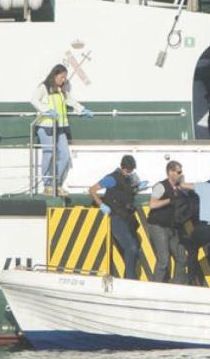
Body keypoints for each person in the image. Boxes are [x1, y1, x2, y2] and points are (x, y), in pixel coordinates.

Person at [33, 64, 92, 196]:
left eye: (65, 77)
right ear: (54, 75)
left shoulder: (61, 90)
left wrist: (82, 110)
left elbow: (70, 101)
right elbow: (34, 100)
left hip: (59, 127)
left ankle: (56, 184)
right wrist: (46, 110)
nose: (64, 80)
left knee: (65, 156)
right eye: (61, 77)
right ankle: (47, 185)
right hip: (46, 127)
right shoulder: (44, 87)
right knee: (48, 154)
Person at [90, 155, 149, 280]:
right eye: (128, 170)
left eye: (131, 170)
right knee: (131, 247)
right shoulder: (112, 178)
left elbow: (127, 192)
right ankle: (130, 279)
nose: (129, 173)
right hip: (116, 217)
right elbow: (92, 190)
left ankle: (128, 277)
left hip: (127, 217)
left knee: (134, 248)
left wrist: (137, 188)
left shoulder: (129, 179)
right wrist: (102, 205)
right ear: (122, 167)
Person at [146, 160, 194, 284]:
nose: (180, 174)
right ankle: (155, 286)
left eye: (181, 172)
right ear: (170, 172)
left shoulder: (178, 188)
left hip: (172, 227)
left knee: (181, 257)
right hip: (158, 226)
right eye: (178, 172)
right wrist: (169, 200)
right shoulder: (161, 186)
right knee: (163, 260)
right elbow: (152, 204)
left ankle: (176, 284)